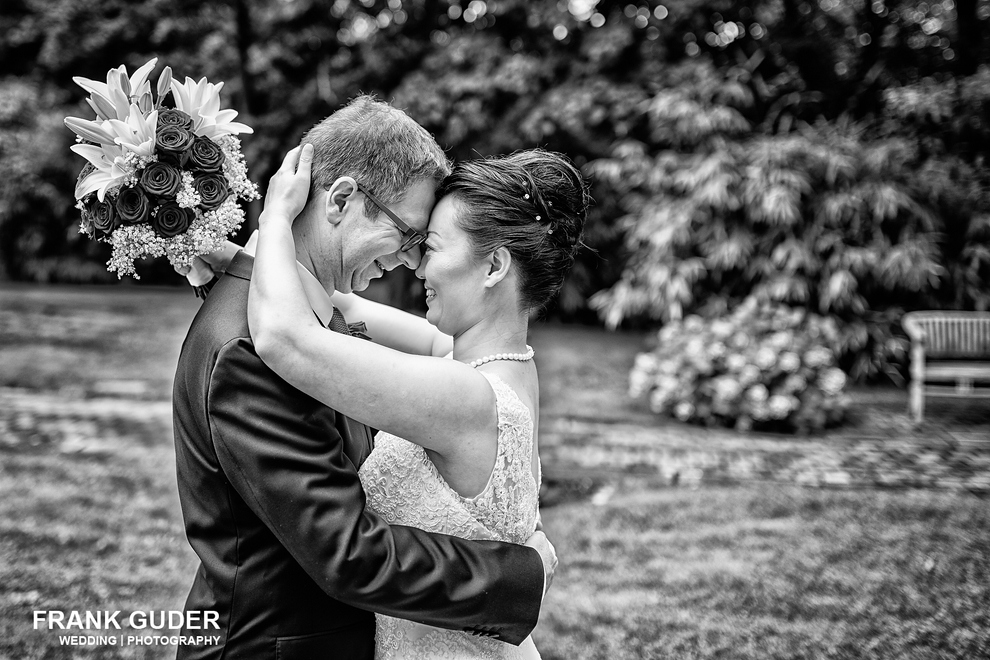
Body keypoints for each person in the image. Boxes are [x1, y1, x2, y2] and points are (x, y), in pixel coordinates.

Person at [171, 96, 555, 660]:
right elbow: (345, 552)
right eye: (407, 237)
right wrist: (521, 577)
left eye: (423, 247)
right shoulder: (249, 351)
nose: (409, 262)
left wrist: (253, 247)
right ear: (343, 199)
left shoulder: (317, 316)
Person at [245, 142, 589, 658]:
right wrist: (231, 256)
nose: (416, 268)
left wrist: (275, 218)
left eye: (429, 248)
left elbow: (285, 339)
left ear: (494, 266)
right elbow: (341, 302)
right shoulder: (506, 366)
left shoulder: (465, 398)